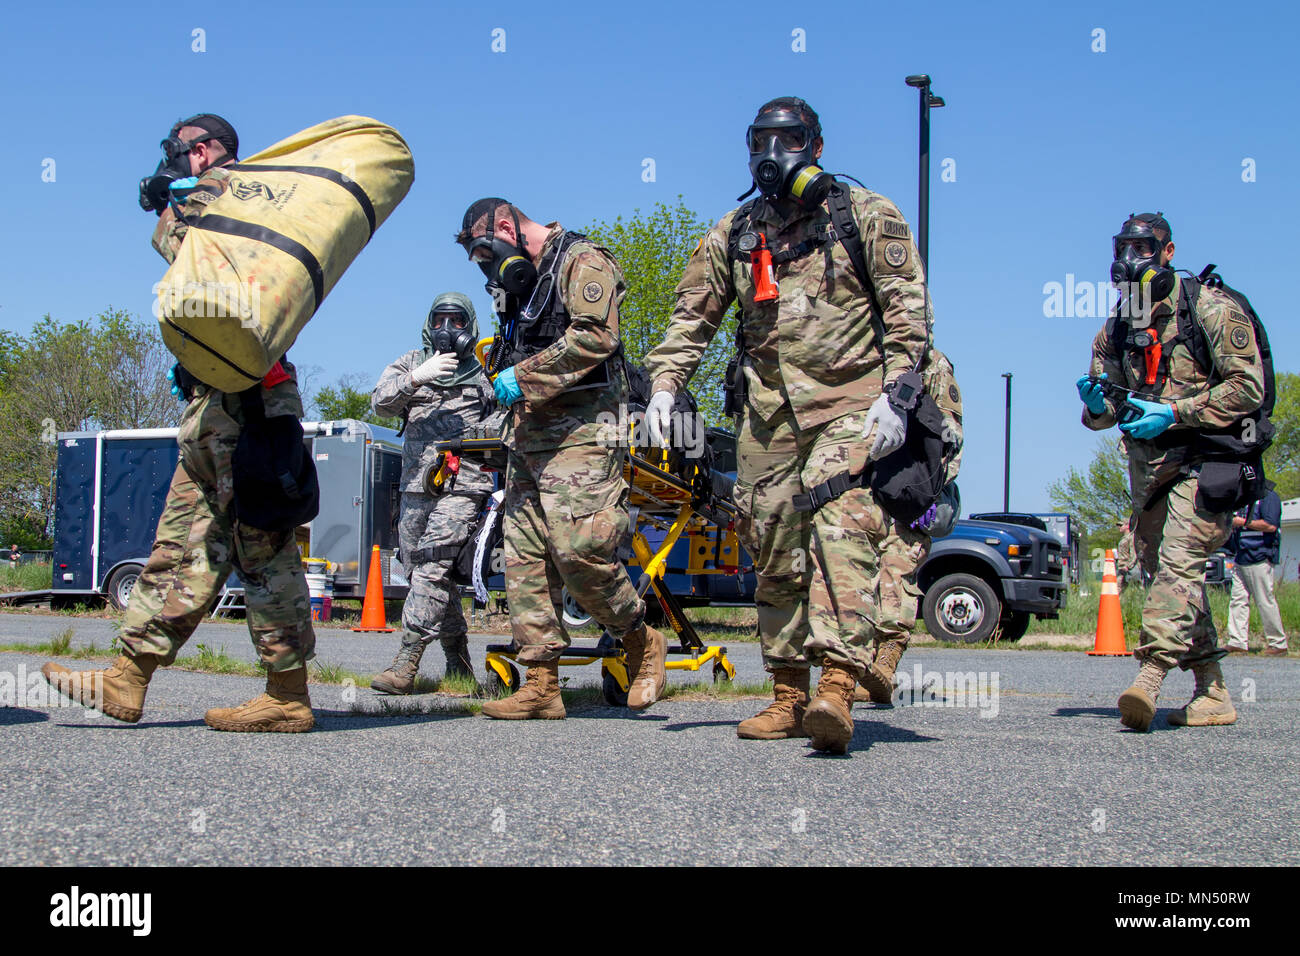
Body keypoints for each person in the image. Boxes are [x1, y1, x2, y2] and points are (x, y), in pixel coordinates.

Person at [644, 97, 945, 753]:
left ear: (817, 145)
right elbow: (692, 318)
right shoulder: (734, 232)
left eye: (790, 140)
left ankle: (836, 687)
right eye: (761, 141)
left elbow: (907, 314)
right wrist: (666, 386)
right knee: (773, 546)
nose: (772, 154)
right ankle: (788, 693)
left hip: (852, 401)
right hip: (768, 413)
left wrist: (897, 392)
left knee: (840, 531)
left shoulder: (865, 215)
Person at [43, 113, 317, 732]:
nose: (176, 160)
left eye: (181, 151)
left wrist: (172, 203)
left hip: (248, 408)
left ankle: (287, 696)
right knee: (184, 545)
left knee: (263, 548)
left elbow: (195, 258)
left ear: (210, 149)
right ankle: (127, 678)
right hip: (220, 402)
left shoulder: (235, 194)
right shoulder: (215, 198)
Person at [455, 198, 668, 719]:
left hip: (584, 433)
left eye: (486, 250)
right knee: (525, 557)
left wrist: (520, 379)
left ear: (506, 225)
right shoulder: (517, 283)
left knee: (578, 551)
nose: (487, 266)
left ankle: (640, 639)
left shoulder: (581, 261)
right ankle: (542, 683)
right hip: (527, 433)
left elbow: (596, 337)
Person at [1078, 212, 1267, 730]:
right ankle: (1213, 692)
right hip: (1151, 470)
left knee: (1182, 559)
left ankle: (1150, 676)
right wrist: (1098, 404)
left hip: (1209, 457)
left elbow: (1248, 388)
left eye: (1144, 247)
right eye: (1123, 248)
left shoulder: (1210, 309)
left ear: (1169, 251)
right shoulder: (1118, 324)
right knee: (1168, 573)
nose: (1130, 258)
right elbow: (1104, 414)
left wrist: (1178, 411)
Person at [370, 293, 500, 692]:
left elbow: (504, 423)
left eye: (457, 321)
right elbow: (380, 405)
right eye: (440, 319)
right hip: (416, 484)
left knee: (432, 562)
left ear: (470, 326)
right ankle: (458, 664)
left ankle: (405, 662)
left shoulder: (486, 369)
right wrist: (417, 377)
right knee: (424, 575)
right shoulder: (411, 362)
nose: (447, 329)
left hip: (464, 485)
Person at [1225, 487, 1289, 656]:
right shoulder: (1242, 498)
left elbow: (1270, 525)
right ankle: (1237, 641)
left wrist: (1242, 522)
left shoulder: (1268, 496)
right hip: (1241, 555)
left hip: (1260, 555)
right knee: (1237, 599)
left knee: (1264, 600)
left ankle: (1278, 643)